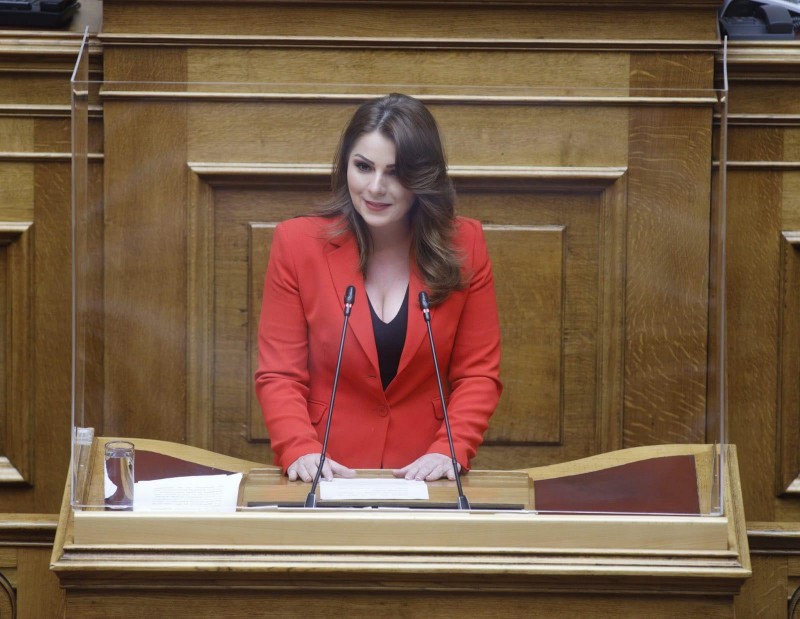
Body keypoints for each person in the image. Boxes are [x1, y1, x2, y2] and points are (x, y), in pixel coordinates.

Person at [254, 93, 502, 483]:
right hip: (325, 472)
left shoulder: (464, 245)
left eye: (396, 172)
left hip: (425, 474)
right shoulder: (297, 244)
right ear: (346, 166)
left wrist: (450, 448)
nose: (375, 187)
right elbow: (280, 374)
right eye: (363, 167)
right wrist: (298, 448)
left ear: (423, 176)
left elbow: (478, 374)